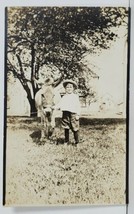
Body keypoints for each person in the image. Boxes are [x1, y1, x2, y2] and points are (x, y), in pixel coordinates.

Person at [55, 79, 81, 146]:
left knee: (75, 128)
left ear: (73, 88)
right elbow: (59, 104)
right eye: (67, 87)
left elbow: (78, 106)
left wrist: (78, 114)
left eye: (70, 87)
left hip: (73, 114)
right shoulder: (64, 97)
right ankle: (66, 141)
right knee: (66, 128)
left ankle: (77, 142)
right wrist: (54, 107)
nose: (69, 88)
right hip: (65, 114)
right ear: (65, 89)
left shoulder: (75, 97)